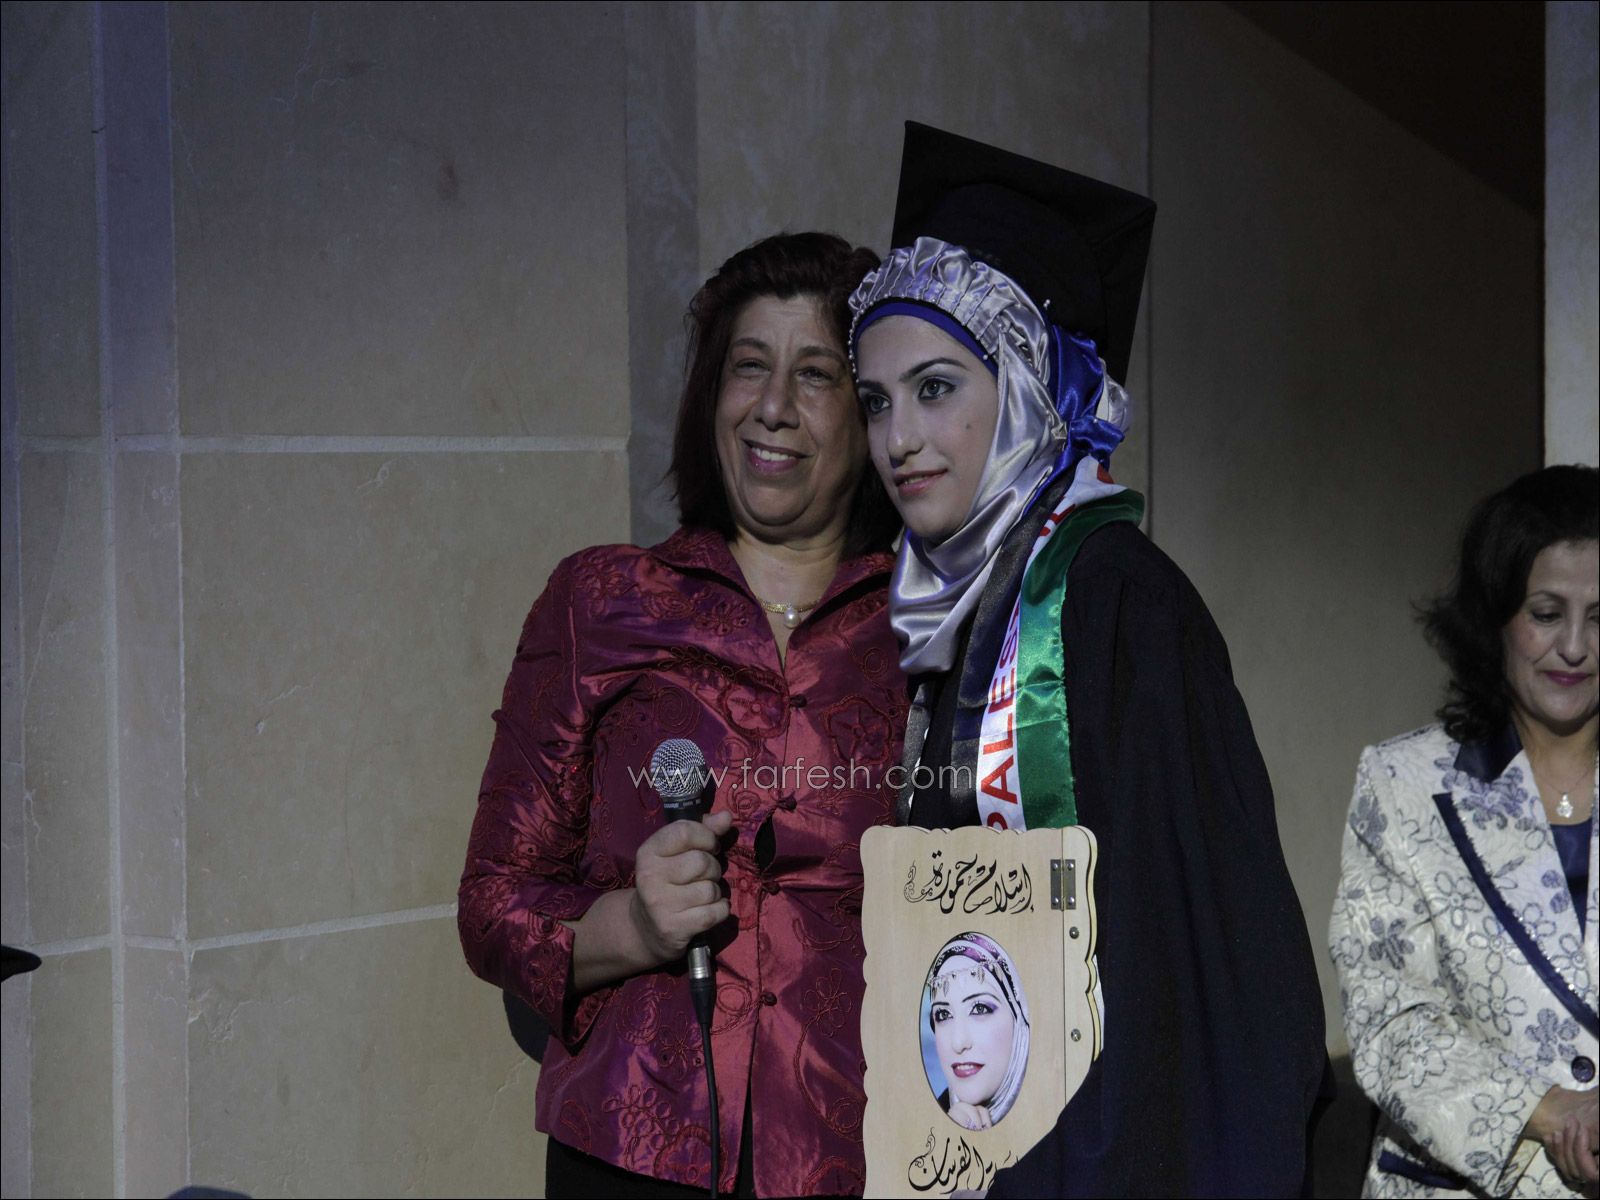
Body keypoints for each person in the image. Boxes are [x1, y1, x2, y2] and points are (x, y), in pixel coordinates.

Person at [848, 122, 1329, 1196]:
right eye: (876, 400)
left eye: (936, 388)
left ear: (1030, 383)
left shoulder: (1119, 605)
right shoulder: (941, 613)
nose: (898, 439)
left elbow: (1200, 958)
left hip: (1105, 1154)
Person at [458, 232, 907, 1198]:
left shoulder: (925, 627)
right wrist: (629, 925)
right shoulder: (602, 599)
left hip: (864, 1154)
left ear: (868, 411)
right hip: (632, 1152)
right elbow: (493, 904)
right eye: (749, 366)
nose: (773, 405)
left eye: (815, 374)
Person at [1330, 465, 1599, 1198]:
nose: (1575, 646)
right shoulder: (1402, 784)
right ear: (1495, 616)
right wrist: (1553, 1112)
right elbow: (1390, 1019)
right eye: (1547, 613)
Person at [926, 932, 1030, 1132]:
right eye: (943, 1014)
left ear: (1019, 1016)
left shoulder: (1062, 1121)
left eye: (980, 1009)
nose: (958, 1043)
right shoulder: (917, 1128)